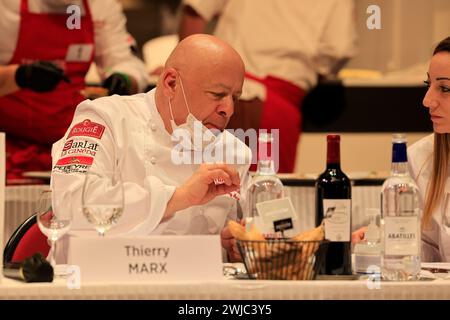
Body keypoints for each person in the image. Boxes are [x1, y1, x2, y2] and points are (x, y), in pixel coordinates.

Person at [51, 34, 251, 261]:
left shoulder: (234, 152)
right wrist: (178, 197)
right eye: (217, 94)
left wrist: (236, 248)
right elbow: (70, 204)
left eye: (235, 97)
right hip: (97, 286)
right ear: (171, 83)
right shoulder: (104, 119)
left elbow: (250, 232)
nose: (229, 109)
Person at [179, 0, 358, 172]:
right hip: (277, 106)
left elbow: (196, 9)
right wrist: (320, 68)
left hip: (218, 94)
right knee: (267, 195)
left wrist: (188, 67)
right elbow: (339, 48)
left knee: (202, 187)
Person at [0, 0, 148, 181]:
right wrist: (19, 75)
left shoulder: (98, 6)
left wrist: (125, 78)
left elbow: (124, 60)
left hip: (73, 152)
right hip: (7, 150)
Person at [408, 36, 450, 262]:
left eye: (444, 88)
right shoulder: (419, 157)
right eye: (429, 85)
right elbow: (426, 257)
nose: (427, 100)